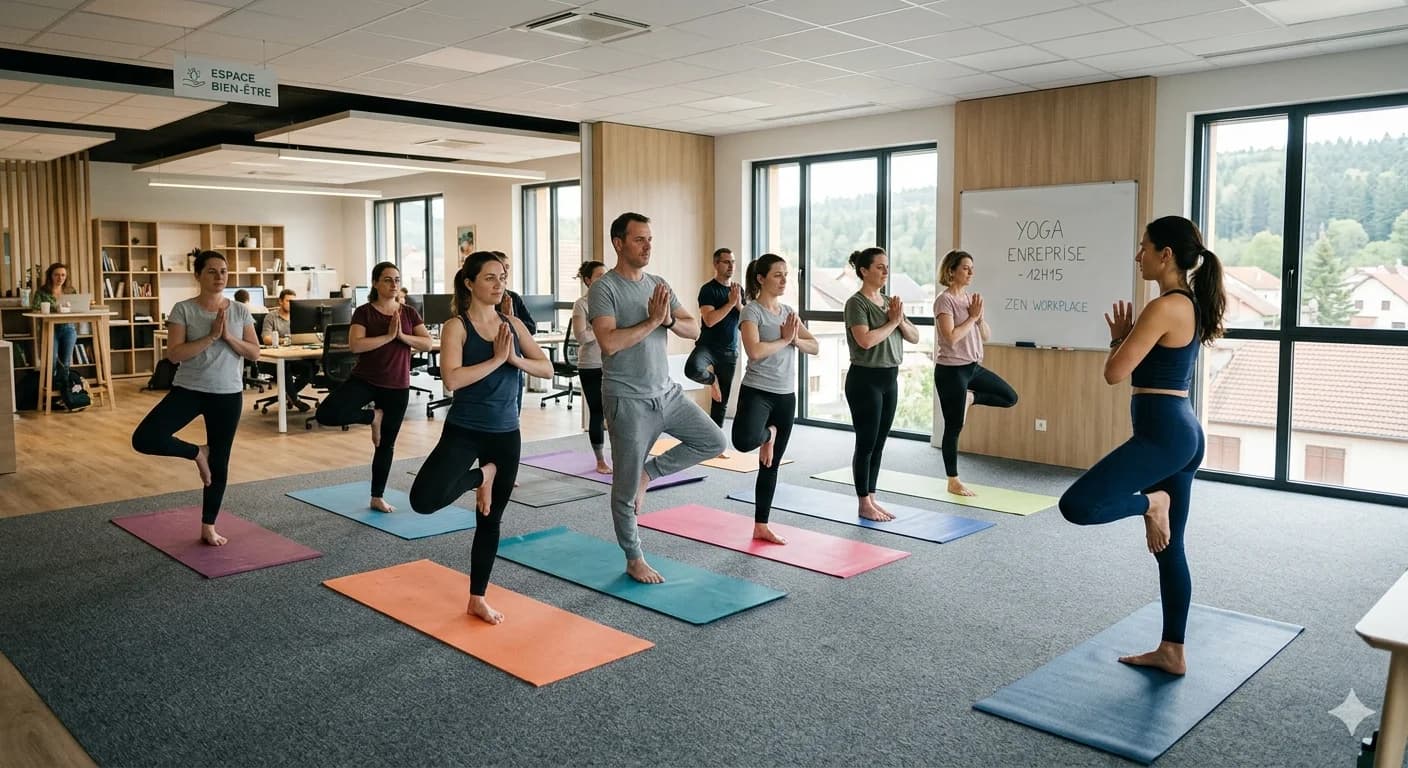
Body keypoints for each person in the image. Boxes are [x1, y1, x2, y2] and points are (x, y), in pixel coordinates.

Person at [1058, 216, 1226, 676]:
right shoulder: (1189, 303)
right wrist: (1129, 336)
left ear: (1165, 254)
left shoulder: (1164, 307)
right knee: (1172, 549)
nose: (1138, 256)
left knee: (1077, 505)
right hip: (1181, 432)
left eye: (1144, 247)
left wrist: (1119, 337)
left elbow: (1114, 373)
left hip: (1163, 435)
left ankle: (1153, 504)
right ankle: (1173, 650)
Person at [410, 251, 552, 625]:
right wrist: (496, 360)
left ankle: (478, 598)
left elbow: (547, 368)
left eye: (502, 277)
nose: (498, 284)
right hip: (465, 429)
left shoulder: (513, 325)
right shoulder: (456, 327)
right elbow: (452, 379)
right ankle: (481, 476)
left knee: (490, 520)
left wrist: (515, 360)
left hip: (505, 434)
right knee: (423, 500)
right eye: (489, 277)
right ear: (470, 283)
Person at [589, 212, 726, 583]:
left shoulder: (659, 284)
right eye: (639, 239)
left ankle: (650, 474)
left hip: (666, 393)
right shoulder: (605, 289)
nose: (647, 246)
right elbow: (609, 342)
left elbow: (693, 328)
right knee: (624, 487)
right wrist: (651, 321)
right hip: (627, 401)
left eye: (650, 239)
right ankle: (633, 558)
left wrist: (666, 320)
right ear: (619, 243)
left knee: (714, 440)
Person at [131, 250, 260, 546]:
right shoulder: (184, 309)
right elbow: (175, 354)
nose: (219, 277)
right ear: (198, 275)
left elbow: (254, 353)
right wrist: (211, 336)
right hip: (189, 390)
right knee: (145, 438)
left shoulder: (240, 311)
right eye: (212, 271)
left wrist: (229, 337)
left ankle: (208, 526)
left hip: (227, 394)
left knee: (220, 464)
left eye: (223, 271)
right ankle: (197, 452)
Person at [314, 262, 434, 513]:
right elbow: (356, 345)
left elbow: (426, 343)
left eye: (397, 279)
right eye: (388, 279)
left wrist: (402, 337)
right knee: (326, 413)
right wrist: (388, 337)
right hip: (365, 380)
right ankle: (373, 417)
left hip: (397, 385)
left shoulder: (409, 313)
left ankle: (377, 496)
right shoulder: (364, 312)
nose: (393, 284)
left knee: (385, 445)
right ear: (376, 283)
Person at [732, 254, 818, 544]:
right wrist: (784, 340)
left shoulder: (788, 312)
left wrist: (794, 339)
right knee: (744, 441)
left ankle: (761, 525)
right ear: (761, 278)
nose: (783, 280)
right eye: (777, 275)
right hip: (757, 391)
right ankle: (768, 433)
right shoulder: (751, 312)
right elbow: (754, 351)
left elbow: (814, 345)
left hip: (785, 396)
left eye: (786, 275)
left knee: (771, 465)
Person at [933, 250, 1018, 496]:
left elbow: (986, 336)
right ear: (951, 271)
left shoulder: (970, 299)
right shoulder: (944, 301)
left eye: (972, 268)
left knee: (1010, 397)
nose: (971, 272)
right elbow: (950, 338)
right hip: (951, 371)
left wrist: (979, 319)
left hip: (973, 367)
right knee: (954, 426)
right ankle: (953, 480)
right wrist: (972, 317)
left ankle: (971, 397)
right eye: (965, 268)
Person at [843, 247, 919, 522]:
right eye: (879, 267)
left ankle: (872, 498)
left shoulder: (889, 302)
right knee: (866, 443)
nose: (886, 271)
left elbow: (914, 336)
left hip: (890, 378)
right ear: (864, 271)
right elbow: (865, 340)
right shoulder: (856, 303)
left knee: (879, 443)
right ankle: (863, 502)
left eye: (887, 266)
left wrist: (899, 321)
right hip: (865, 380)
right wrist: (893, 322)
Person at [685, 248, 742, 430]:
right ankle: (712, 380)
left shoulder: (738, 290)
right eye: (726, 262)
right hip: (708, 346)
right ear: (716, 264)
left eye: (733, 262)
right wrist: (731, 303)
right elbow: (710, 320)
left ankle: (716, 441)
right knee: (692, 369)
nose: (731, 266)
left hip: (729, 351)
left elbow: (746, 321)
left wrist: (739, 304)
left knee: (721, 402)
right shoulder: (708, 290)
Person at [572, 260, 611, 474]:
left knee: (617, 413)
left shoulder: (612, 300)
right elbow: (581, 336)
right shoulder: (582, 304)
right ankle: (600, 460)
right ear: (588, 280)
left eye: (606, 274)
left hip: (613, 363)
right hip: (591, 365)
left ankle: (621, 457)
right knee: (598, 412)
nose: (604, 279)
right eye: (599, 276)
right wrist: (603, 329)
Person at [260, 288, 315, 411]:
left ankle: (289, 394)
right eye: (288, 301)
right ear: (280, 301)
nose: (291, 304)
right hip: (274, 359)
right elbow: (266, 339)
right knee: (284, 368)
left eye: (293, 302)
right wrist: (283, 340)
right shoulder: (271, 317)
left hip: (294, 356)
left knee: (311, 368)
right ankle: (295, 399)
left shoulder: (298, 317)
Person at [30, 262, 76, 372]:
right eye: (57, 275)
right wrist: (53, 309)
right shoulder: (42, 292)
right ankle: (51, 382)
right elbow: (35, 309)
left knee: (65, 362)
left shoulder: (71, 291)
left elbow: (76, 308)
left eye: (63, 275)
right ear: (50, 276)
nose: (60, 278)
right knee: (51, 362)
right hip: (50, 328)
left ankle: (64, 382)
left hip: (68, 328)